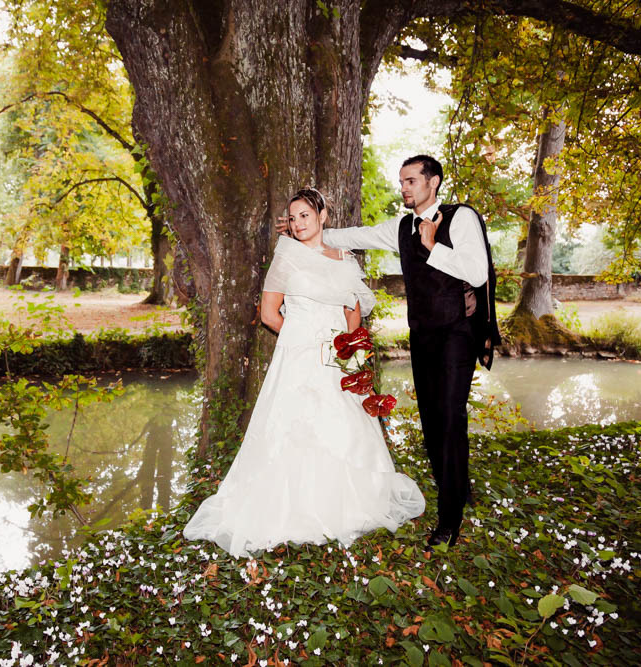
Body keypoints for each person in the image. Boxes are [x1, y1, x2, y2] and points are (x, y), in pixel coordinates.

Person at [183, 187, 425, 558]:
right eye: (293, 218)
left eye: (305, 216)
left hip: (339, 357)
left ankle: (346, 504)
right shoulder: (286, 258)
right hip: (299, 353)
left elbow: (352, 308)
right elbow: (269, 314)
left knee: (342, 425)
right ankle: (290, 508)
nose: (298, 224)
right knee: (294, 424)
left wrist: (349, 347)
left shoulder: (344, 257)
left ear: (323, 216)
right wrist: (308, 339)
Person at [299, 156, 501, 552]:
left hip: (457, 333)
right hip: (422, 335)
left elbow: (477, 273)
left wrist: (432, 247)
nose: (404, 188)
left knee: (450, 417)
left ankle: (450, 518)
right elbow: (357, 236)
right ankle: (455, 486)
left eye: (411, 181)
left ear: (434, 182)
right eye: (402, 181)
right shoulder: (401, 227)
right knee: (430, 420)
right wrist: (308, 230)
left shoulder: (461, 218)